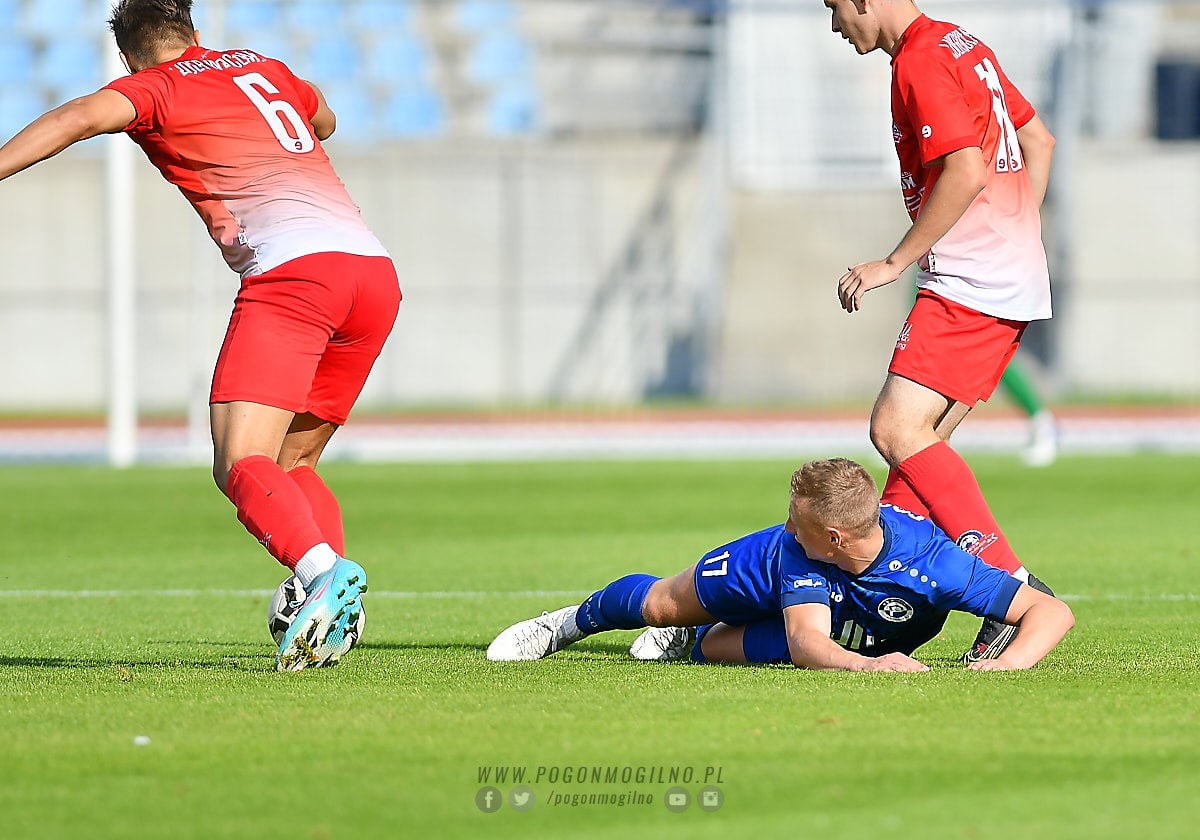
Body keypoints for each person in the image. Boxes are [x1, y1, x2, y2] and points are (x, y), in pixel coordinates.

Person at [0, 1, 400, 671]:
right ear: (195, 32)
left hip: (294, 275)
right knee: (293, 465)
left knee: (240, 461)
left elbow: (77, 118)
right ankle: (326, 602)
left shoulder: (152, 88)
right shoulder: (264, 67)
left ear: (127, 59)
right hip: (371, 274)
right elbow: (324, 117)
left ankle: (323, 574)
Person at [820, 1, 1059, 661]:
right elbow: (1039, 141)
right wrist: (1016, 235)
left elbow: (967, 169)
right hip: (1005, 276)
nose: (835, 26)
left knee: (896, 430)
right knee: (919, 454)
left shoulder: (921, 59)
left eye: (833, 7)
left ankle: (1013, 591)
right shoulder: (960, 42)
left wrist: (893, 262)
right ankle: (886, 598)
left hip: (971, 281)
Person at [486, 458, 1074, 672]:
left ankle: (691, 639)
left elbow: (1050, 612)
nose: (788, 525)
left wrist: (1008, 666)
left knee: (710, 650)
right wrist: (870, 668)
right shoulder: (791, 546)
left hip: (854, 628)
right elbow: (807, 643)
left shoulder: (935, 563)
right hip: (770, 577)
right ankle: (565, 624)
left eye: (797, 519)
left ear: (836, 537)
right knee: (662, 606)